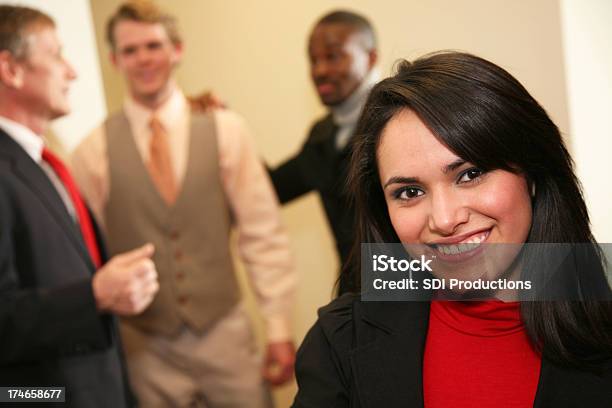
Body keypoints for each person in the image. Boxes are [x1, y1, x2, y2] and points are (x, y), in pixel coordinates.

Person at [292, 52, 612, 407]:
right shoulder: (338, 342)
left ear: (532, 175)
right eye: (409, 193)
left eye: (470, 174)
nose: (444, 220)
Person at [71, 2, 296, 407]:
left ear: (177, 49)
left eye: (153, 45)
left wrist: (278, 326)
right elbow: (86, 254)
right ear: (113, 59)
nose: (143, 59)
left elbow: (263, 234)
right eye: (131, 50)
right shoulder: (91, 152)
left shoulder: (227, 130)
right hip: (144, 348)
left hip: (225, 334)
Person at [0, 5, 159, 407]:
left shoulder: (44, 162)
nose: (71, 72)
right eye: (56, 55)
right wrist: (96, 295)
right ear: (11, 69)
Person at [268, 10, 378, 293]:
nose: (319, 71)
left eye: (333, 56)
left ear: (371, 57)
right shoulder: (323, 136)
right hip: (352, 296)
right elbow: (269, 189)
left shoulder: (397, 122)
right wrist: (221, 129)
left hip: (413, 296)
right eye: (313, 59)